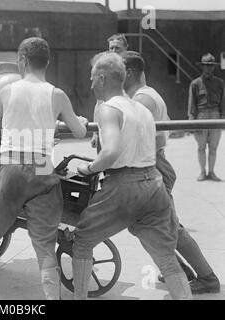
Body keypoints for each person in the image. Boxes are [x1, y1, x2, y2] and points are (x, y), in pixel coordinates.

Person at [0, 37, 88, 300]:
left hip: (10, 163)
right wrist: (79, 119)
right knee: (45, 246)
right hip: (42, 166)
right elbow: (79, 131)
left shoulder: (8, 91)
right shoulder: (57, 95)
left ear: (22, 60)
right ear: (47, 62)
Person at [72, 52, 192, 300]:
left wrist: (89, 168)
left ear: (103, 78)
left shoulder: (108, 109)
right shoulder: (141, 110)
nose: (90, 83)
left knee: (82, 240)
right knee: (167, 259)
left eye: (92, 77)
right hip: (153, 183)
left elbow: (112, 151)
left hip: (124, 185)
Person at [122, 51, 220, 294]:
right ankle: (179, 270)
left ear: (129, 72)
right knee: (145, 226)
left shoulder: (142, 100)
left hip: (151, 165)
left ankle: (207, 278)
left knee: (169, 228)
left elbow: (144, 141)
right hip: (152, 164)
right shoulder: (143, 95)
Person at [188, 53, 225, 182]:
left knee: (214, 147)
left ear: (214, 67)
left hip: (215, 116)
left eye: (211, 66)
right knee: (201, 147)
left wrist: (222, 119)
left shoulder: (220, 83)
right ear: (202, 67)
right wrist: (191, 123)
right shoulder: (195, 84)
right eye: (206, 66)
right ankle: (203, 172)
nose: (208, 69)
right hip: (201, 116)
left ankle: (212, 172)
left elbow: (223, 103)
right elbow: (192, 105)